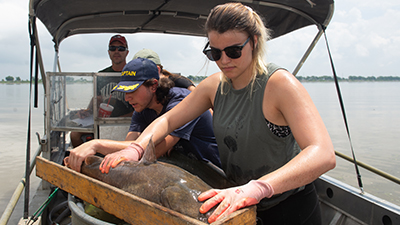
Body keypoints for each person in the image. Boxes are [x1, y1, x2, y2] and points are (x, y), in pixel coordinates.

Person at [98, 2, 336, 224]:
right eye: (215, 53)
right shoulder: (214, 86)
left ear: (253, 42)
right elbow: (169, 119)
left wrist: (258, 188)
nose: (223, 61)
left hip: (289, 205)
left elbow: (323, 153)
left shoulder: (279, 84)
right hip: (236, 204)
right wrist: (136, 148)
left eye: (233, 51)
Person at [66, 58, 221, 173]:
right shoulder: (142, 108)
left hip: (214, 169)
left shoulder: (181, 102)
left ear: (153, 86)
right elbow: (129, 146)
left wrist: (95, 144)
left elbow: (153, 152)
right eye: (125, 92)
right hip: (187, 165)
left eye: (132, 90)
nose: (127, 98)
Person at [70, 34, 133, 147]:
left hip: (126, 122)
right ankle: (85, 162)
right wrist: (88, 111)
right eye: (113, 48)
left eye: (121, 48)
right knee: (74, 134)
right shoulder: (102, 75)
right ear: (109, 52)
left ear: (127, 52)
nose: (117, 51)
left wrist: (119, 120)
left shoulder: (133, 74)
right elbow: (97, 99)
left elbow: (140, 108)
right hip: (104, 122)